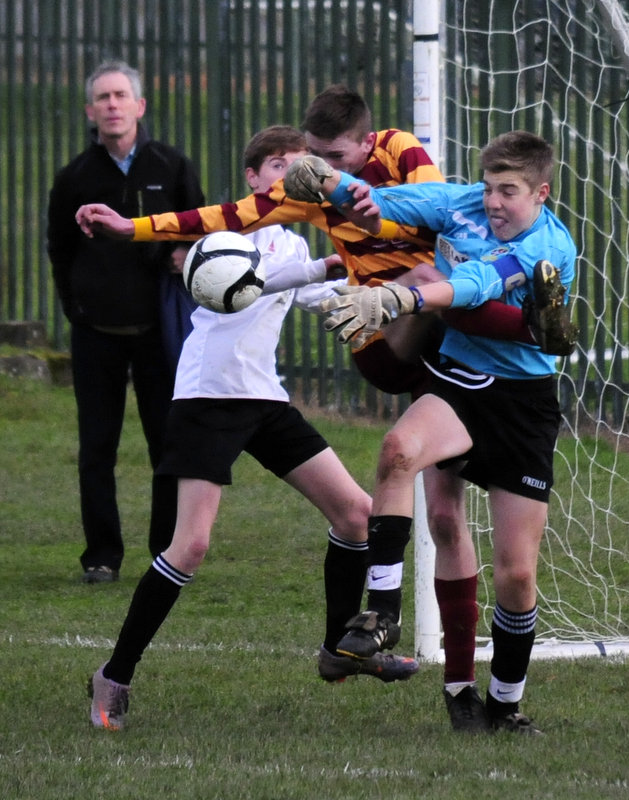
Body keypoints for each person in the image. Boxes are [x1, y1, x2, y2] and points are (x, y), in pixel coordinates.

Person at [86, 125, 419, 731]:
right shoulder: (223, 237)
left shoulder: (293, 245)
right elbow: (231, 284)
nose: (296, 177)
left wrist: (382, 284)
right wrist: (326, 267)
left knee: (355, 513)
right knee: (189, 546)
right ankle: (114, 674)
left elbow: (317, 291)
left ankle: (338, 649)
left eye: (304, 166)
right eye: (282, 167)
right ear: (254, 179)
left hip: (263, 398)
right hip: (208, 396)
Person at [283, 130, 577, 735]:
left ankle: (504, 705)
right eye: (490, 188)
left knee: (517, 571)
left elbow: (475, 285)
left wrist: (400, 298)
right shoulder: (462, 202)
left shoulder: (548, 246)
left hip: (523, 404)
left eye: (510, 192)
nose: (494, 203)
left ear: (541, 193)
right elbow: (390, 204)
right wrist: (329, 181)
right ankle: (382, 615)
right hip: (457, 380)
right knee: (398, 452)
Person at [47, 60, 205, 583]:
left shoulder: (172, 167)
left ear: (139, 106)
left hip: (158, 334)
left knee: (167, 444)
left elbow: (195, 232)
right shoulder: (74, 178)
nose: (112, 105)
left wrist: (177, 261)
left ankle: (166, 552)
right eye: (102, 98)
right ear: (91, 111)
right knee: (97, 448)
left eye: (121, 96)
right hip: (97, 335)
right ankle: (101, 557)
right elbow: (60, 251)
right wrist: (80, 310)